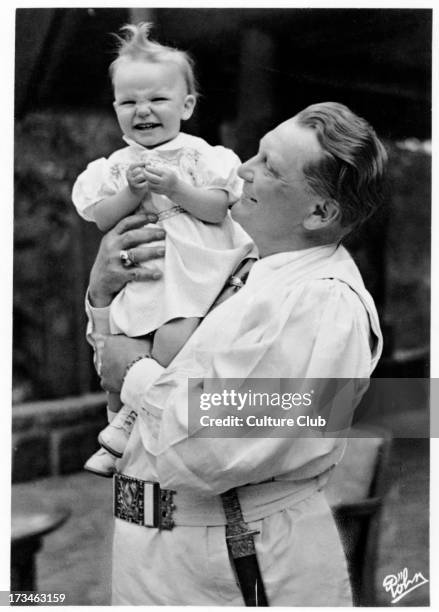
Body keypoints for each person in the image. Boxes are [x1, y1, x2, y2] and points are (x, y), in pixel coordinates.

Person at [86, 102, 387, 605]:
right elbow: (120, 368)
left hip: (238, 566)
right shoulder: (238, 261)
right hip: (155, 555)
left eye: (270, 167)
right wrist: (101, 296)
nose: (243, 168)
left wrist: (137, 373)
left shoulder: (324, 302)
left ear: (320, 213)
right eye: (257, 153)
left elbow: (214, 447)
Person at [71, 23, 254, 476]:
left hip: (194, 273)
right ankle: (117, 428)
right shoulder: (114, 168)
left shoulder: (205, 157)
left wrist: (176, 186)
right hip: (149, 274)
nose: (143, 111)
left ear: (187, 106)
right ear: (115, 107)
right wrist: (129, 196)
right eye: (129, 102)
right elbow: (102, 218)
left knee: (175, 342)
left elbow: (216, 208)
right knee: (123, 346)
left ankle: (130, 423)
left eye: (157, 100)